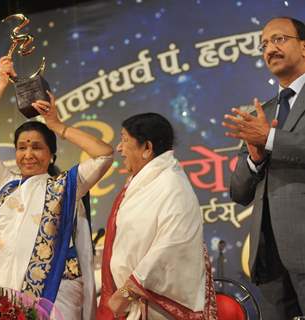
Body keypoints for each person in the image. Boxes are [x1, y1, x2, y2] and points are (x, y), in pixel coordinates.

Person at [0, 56, 113, 319]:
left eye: (37, 147)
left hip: (54, 296)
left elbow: (104, 155)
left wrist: (57, 125)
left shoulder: (65, 186)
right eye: (22, 147)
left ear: (51, 155)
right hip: (1, 298)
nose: (28, 154)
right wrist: (1, 84)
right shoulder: (5, 184)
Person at [223, 16, 305, 319]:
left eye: (279, 39)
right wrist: (254, 158)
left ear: (304, 47)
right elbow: (239, 191)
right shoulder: (263, 112)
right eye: (264, 45)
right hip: (268, 257)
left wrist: (270, 138)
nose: (270, 49)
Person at [97, 113, 216, 320]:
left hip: (156, 309)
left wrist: (127, 292)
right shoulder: (143, 183)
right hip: (134, 306)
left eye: (124, 140)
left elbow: (170, 248)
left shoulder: (172, 186)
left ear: (147, 148)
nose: (119, 148)